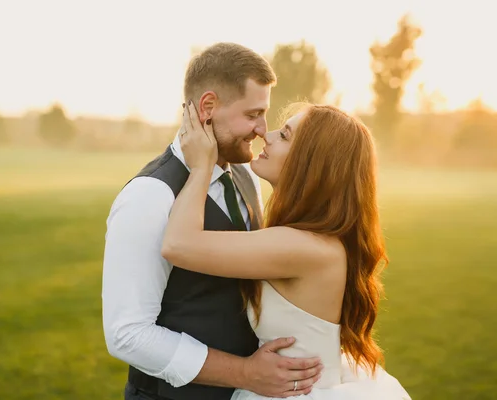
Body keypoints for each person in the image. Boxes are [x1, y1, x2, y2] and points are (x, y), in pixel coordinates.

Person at [102, 42, 323, 400]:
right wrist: (245, 372)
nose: (262, 129)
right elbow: (128, 334)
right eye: (253, 114)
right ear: (208, 107)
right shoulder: (149, 196)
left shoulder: (246, 176)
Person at [160, 101, 412, 400]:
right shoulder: (311, 241)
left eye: (285, 135)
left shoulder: (303, 247)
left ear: (311, 164)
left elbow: (178, 245)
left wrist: (202, 165)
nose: (267, 134)